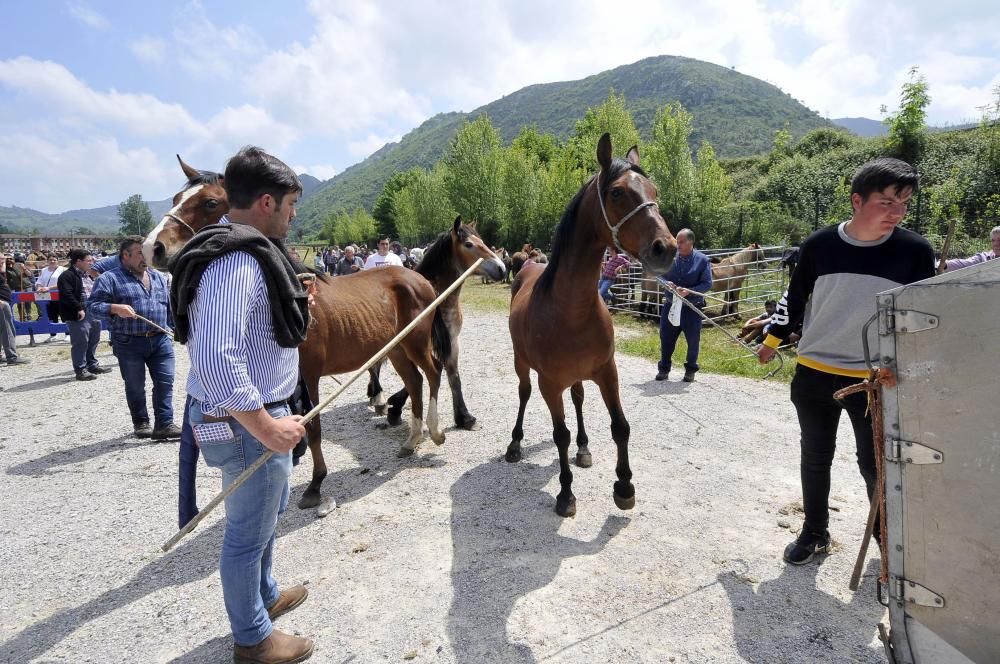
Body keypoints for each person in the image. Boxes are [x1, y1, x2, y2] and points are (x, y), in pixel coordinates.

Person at [170, 146, 314, 663]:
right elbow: (213, 359)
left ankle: (266, 594)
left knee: (267, 514)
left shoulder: (249, 255)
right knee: (246, 533)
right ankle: (252, 639)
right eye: (293, 204)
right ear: (268, 202)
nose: (295, 215)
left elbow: (244, 333)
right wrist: (265, 427)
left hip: (254, 417)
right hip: (243, 425)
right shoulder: (236, 263)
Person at [758, 157, 935, 566]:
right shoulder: (819, 246)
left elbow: (925, 315)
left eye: (904, 203)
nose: (897, 212)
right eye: (886, 202)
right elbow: (794, 298)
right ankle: (814, 533)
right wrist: (771, 339)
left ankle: (887, 544)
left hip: (873, 381)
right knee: (815, 457)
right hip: (814, 373)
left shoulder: (914, 252)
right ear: (857, 200)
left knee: (875, 465)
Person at [88, 238, 180, 440]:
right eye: (140, 253)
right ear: (125, 256)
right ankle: (141, 422)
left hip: (160, 339)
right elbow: (92, 307)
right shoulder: (109, 279)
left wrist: (173, 329)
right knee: (135, 385)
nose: (145, 258)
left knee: (165, 382)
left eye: (147, 253)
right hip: (129, 342)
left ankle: (164, 424)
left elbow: (167, 306)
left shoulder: (158, 277)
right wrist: (114, 308)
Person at [656, 228, 712, 382]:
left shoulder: (702, 260)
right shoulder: (670, 258)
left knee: (693, 340)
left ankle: (690, 370)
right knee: (666, 337)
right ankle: (664, 368)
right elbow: (659, 276)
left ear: (690, 242)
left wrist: (690, 291)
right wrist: (666, 283)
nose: (677, 245)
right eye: (676, 241)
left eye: (681, 242)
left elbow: (707, 283)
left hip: (691, 308)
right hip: (671, 305)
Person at [57, 249, 112, 381]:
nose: (91, 262)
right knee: (80, 342)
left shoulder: (87, 275)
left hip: (92, 312)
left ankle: (91, 364)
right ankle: (80, 369)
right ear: (78, 261)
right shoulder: (67, 276)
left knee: (94, 339)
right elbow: (67, 294)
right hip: (79, 314)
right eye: (88, 260)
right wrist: (78, 308)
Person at [0, 259, 29, 365]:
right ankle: (12, 357)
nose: (3, 261)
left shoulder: (2, 271)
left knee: (1, 331)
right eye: (1, 259)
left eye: (3, 259)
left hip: (3, 302)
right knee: (8, 330)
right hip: (1, 303)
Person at [35, 255, 67, 343]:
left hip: (60, 295)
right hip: (47, 296)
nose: (52, 261)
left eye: (54, 260)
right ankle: (53, 335)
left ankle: (68, 334)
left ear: (57, 260)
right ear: (47, 261)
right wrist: (39, 287)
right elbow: (39, 281)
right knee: (51, 315)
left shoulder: (63, 270)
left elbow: (64, 283)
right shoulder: (44, 270)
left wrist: (49, 288)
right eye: (50, 260)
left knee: (64, 315)